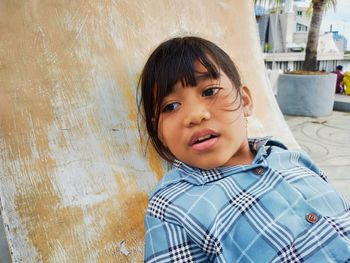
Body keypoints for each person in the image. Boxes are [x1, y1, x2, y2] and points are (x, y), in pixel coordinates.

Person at [138, 36, 350, 262]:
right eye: (171, 106)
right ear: (159, 132)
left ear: (245, 100)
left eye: (209, 91)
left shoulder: (291, 157)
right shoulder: (171, 207)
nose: (195, 115)